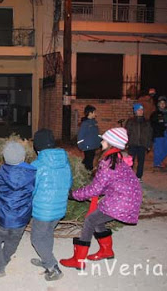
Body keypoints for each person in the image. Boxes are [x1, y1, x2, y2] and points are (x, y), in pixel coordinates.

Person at [60, 128, 142, 270]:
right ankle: (106, 251)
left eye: (104, 139)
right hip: (128, 198)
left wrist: (73, 195)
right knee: (98, 218)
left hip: (121, 201)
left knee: (90, 220)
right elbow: (108, 184)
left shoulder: (108, 162)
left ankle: (78, 259)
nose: (101, 141)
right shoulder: (117, 159)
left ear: (111, 143)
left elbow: (95, 189)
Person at [29, 129, 72, 281]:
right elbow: (69, 183)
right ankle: (47, 259)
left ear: (37, 146)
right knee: (47, 234)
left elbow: (31, 189)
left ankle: (52, 267)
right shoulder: (65, 162)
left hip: (43, 210)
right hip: (59, 207)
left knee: (36, 238)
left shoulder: (37, 165)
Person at [0, 141, 36, 277]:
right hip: (22, 218)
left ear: (5, 158)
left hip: (2, 217)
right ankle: (5, 259)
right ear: (23, 157)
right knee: (13, 240)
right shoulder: (32, 173)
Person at [125, 103, 153, 182]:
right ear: (135, 111)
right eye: (138, 110)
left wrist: (149, 145)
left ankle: (139, 176)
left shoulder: (146, 122)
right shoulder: (130, 121)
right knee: (130, 161)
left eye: (141, 110)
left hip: (142, 145)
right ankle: (129, 176)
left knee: (141, 161)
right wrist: (126, 143)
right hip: (132, 144)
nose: (140, 111)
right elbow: (127, 132)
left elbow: (149, 134)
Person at [77, 105, 102, 171]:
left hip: (93, 146)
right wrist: (80, 145)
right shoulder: (85, 124)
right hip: (87, 146)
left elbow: (97, 134)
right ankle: (87, 174)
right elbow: (80, 135)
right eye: (94, 112)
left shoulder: (94, 123)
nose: (96, 114)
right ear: (90, 113)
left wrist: (100, 141)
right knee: (89, 163)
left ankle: (80, 170)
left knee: (88, 160)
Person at [150, 96, 167, 168]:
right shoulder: (155, 114)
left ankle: (159, 160)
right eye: (161, 103)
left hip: (166, 132)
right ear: (158, 104)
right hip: (158, 133)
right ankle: (157, 163)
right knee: (159, 149)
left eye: (164, 103)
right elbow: (153, 124)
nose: (162, 104)